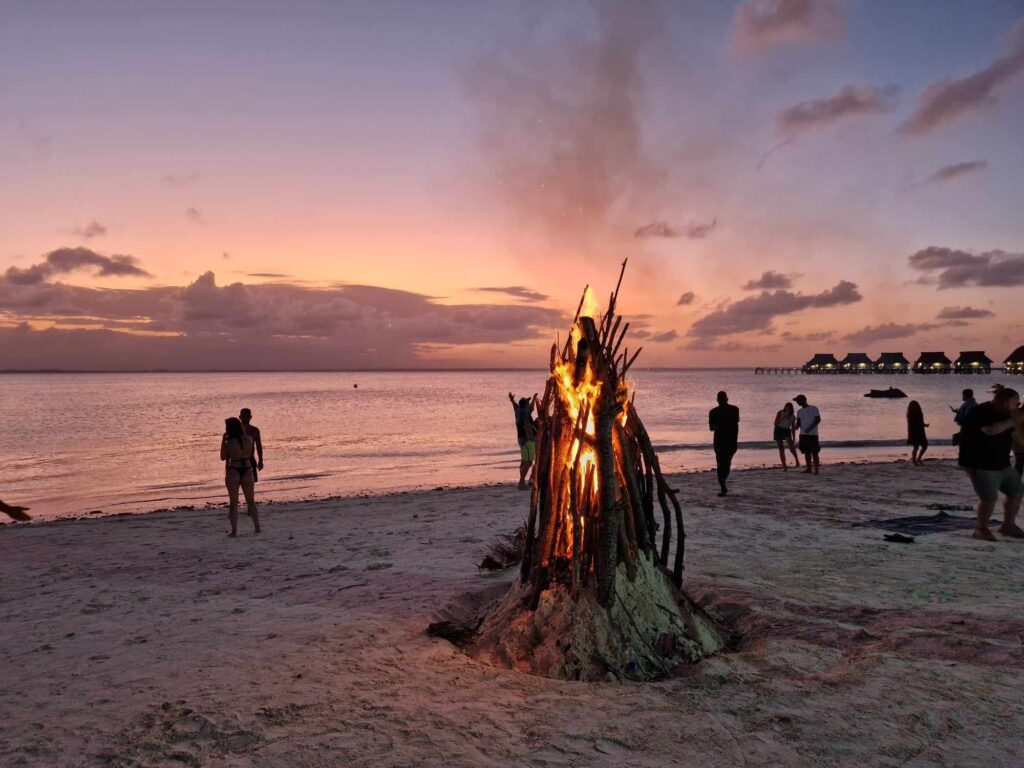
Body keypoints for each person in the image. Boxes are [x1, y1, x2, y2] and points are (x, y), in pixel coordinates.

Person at [958, 387, 1023, 541]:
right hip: (979, 463)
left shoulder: (1007, 415)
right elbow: (990, 430)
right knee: (989, 498)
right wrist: (1013, 421)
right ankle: (981, 529)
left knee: (1017, 491)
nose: (1017, 406)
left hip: (1002, 463)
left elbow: (1016, 437)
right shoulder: (981, 411)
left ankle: (1008, 525)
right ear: (1006, 402)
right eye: (1016, 403)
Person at [221, 417, 261, 537]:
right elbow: (249, 454)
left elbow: (223, 457)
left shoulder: (229, 443)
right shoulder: (249, 439)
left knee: (233, 503)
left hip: (234, 468)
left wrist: (223, 441)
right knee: (251, 501)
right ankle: (257, 527)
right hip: (247, 468)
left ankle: (234, 531)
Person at [709, 391, 739, 496]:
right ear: (727, 398)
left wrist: (718, 425)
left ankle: (723, 485)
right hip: (726, 441)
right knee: (724, 464)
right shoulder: (733, 410)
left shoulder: (733, 410)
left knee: (722, 464)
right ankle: (723, 485)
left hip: (724, 441)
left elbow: (711, 428)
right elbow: (712, 428)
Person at [509, 392, 539, 489]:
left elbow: (515, 404)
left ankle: (523, 481)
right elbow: (531, 408)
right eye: (527, 403)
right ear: (525, 405)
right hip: (528, 439)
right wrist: (534, 399)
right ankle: (521, 482)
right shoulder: (526, 411)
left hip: (521, 439)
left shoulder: (517, 410)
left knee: (523, 461)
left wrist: (512, 399)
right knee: (529, 462)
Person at [793, 394, 821, 475]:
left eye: (798, 400)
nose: (797, 402)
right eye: (797, 401)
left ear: (804, 400)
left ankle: (816, 469)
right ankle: (809, 468)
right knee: (806, 452)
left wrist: (809, 428)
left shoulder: (814, 408)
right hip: (803, 434)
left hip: (813, 434)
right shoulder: (799, 411)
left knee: (815, 451)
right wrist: (796, 426)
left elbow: (818, 420)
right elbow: (798, 422)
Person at [239, 408, 264, 483]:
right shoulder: (236, 430)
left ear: (250, 417)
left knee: (252, 484)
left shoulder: (255, 430)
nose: (245, 418)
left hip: (250, 459)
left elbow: (259, 446)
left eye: (247, 416)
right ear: (240, 417)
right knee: (238, 484)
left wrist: (260, 460)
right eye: (243, 416)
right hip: (238, 460)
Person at [773, 402, 799, 471]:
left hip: (787, 430)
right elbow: (775, 423)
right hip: (778, 429)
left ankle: (797, 460)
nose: (787, 409)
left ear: (791, 409)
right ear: (785, 407)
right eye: (786, 407)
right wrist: (782, 418)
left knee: (791, 447)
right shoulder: (780, 412)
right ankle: (784, 466)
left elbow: (793, 428)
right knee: (781, 449)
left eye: (789, 408)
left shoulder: (793, 416)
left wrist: (794, 437)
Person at [906, 400, 929, 466]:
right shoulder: (910, 414)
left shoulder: (919, 413)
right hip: (914, 432)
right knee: (916, 447)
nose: (915, 407)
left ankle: (919, 458)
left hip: (921, 431)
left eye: (916, 405)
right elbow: (912, 424)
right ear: (911, 407)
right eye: (913, 406)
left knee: (925, 446)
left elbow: (920, 422)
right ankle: (914, 460)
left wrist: (925, 425)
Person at [1010, 399, 1024, 477]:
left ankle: (1016, 483)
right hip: (1018, 443)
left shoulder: (1014, 413)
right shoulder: (1016, 413)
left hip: (1017, 443)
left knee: (1019, 464)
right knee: (1019, 463)